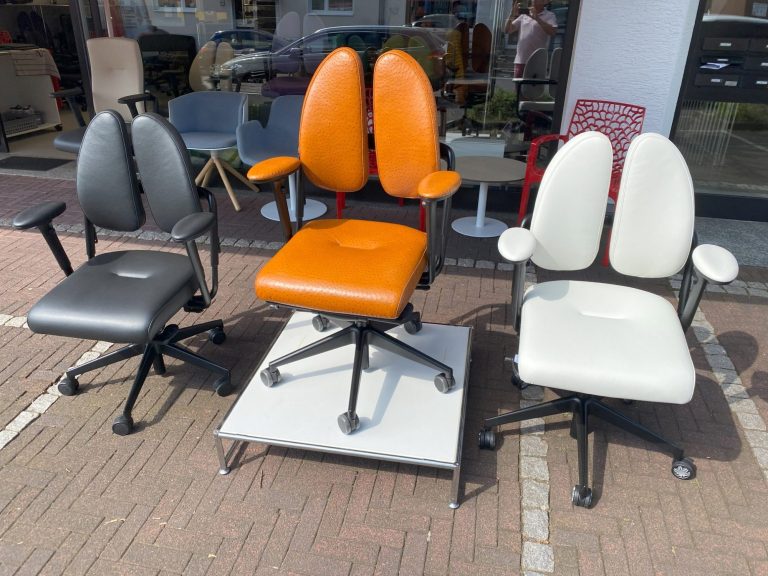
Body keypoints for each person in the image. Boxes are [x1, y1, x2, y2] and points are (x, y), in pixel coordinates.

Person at [505, 0, 557, 77]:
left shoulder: (550, 15)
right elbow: (507, 30)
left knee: (534, 84)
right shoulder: (524, 15)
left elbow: (553, 32)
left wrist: (537, 18)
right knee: (519, 84)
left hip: (537, 60)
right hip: (521, 60)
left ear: (545, 2)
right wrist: (512, 14)